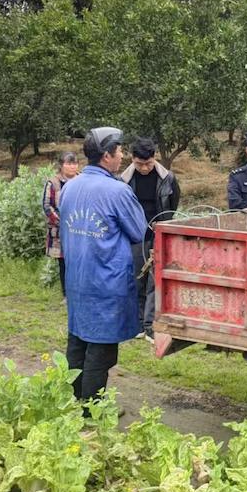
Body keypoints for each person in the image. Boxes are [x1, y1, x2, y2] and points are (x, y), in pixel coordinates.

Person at [59, 127, 147, 403]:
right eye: (119, 150)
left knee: (78, 341)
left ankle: (72, 400)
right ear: (107, 155)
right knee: (101, 348)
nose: (122, 155)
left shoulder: (70, 187)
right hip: (106, 282)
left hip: (77, 278)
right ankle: (91, 410)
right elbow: (139, 232)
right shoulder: (117, 191)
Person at [120, 137, 180, 341]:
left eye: (148, 163)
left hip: (158, 234)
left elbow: (173, 206)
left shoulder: (167, 178)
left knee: (155, 280)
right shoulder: (124, 180)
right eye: (139, 164)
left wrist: (163, 223)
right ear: (132, 159)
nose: (144, 168)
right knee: (137, 277)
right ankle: (136, 324)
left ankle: (150, 325)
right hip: (134, 236)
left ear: (154, 158)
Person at [42, 151, 80, 296]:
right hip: (60, 229)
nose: (72, 167)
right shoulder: (53, 182)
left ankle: (79, 291)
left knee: (80, 259)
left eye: (74, 163)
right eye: (69, 163)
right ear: (61, 165)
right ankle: (66, 293)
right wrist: (61, 221)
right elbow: (47, 205)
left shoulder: (82, 180)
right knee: (64, 262)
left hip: (81, 227)